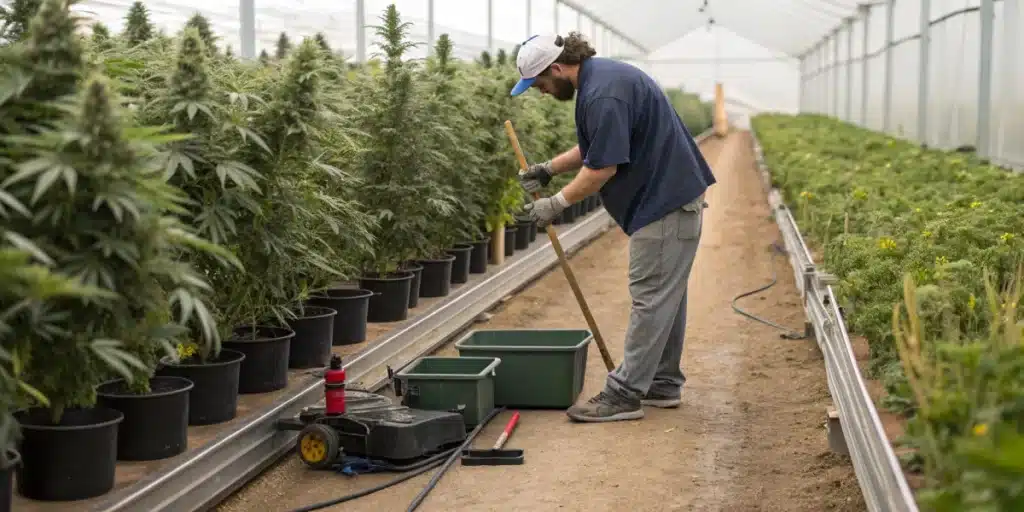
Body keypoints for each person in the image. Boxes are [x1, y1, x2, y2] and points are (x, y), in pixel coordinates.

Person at [510, 32, 717, 423]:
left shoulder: (603, 94)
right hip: (667, 200)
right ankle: (662, 383)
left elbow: (602, 168)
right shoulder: (602, 80)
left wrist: (555, 203)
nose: (541, 92)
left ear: (557, 68)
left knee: (651, 298)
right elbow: (597, 147)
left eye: (539, 84)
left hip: (664, 204)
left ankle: (624, 395)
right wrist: (549, 169)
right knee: (665, 297)